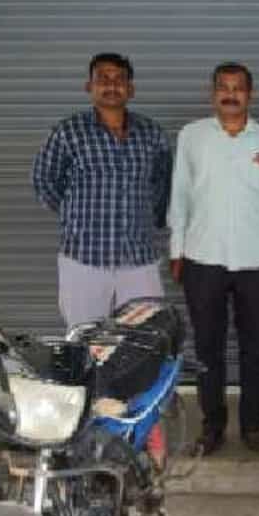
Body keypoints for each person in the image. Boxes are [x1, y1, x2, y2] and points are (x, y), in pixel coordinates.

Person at [168, 62, 259, 456]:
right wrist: (176, 250)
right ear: (213, 94)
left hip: (258, 260)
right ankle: (213, 425)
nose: (231, 94)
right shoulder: (192, 137)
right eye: (223, 87)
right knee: (208, 347)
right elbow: (180, 195)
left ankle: (252, 425)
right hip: (202, 257)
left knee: (257, 348)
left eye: (238, 88)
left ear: (250, 95)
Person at [32, 52, 172, 327]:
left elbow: (161, 185)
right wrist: (74, 216)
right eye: (103, 79)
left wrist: (149, 221)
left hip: (139, 260)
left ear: (130, 89)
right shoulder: (68, 132)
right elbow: (44, 181)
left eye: (119, 79)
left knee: (144, 341)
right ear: (89, 86)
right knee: (84, 339)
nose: (111, 85)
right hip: (84, 259)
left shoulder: (151, 133)